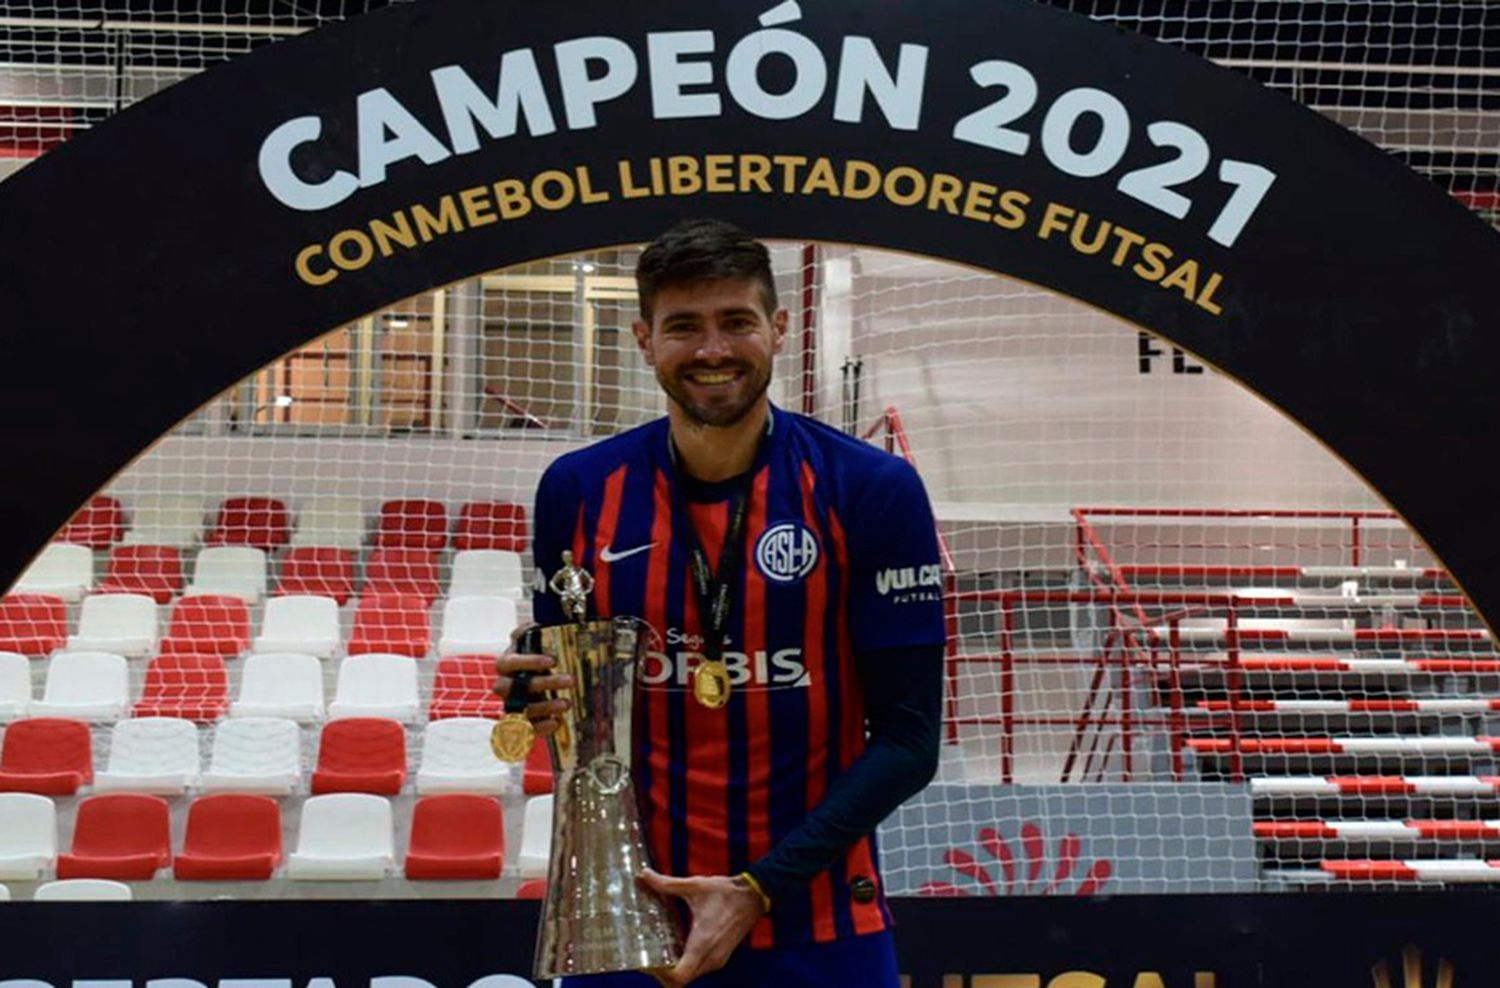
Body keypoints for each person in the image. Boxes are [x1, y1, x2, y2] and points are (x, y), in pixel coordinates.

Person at [494, 218, 946, 987]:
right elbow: (574, 720)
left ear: (776, 328)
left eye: (735, 321)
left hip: (820, 918)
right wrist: (526, 693)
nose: (712, 350)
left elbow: (909, 741)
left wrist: (755, 889)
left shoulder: (870, 488)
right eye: (683, 327)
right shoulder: (576, 489)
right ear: (644, 339)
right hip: (627, 920)